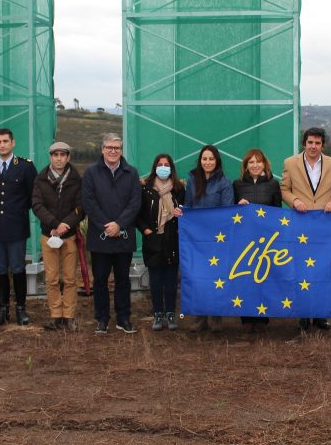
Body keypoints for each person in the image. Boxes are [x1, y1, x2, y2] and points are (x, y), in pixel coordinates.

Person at [281, 127, 331, 331]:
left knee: (322, 269)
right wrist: (295, 200)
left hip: (325, 225)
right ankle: (303, 314)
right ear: (304, 143)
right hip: (300, 223)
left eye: (317, 143)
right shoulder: (290, 163)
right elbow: (284, 190)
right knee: (300, 269)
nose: (313, 146)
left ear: (322, 145)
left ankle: (320, 315)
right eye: (310, 142)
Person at [81, 133, 141, 335]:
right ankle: (102, 319)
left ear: (121, 150)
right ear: (102, 150)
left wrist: (119, 224)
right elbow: (89, 202)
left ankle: (123, 318)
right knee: (100, 280)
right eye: (109, 147)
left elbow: (135, 203)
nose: (113, 151)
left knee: (123, 280)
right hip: (100, 237)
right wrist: (107, 226)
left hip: (124, 236)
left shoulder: (131, 173)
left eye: (117, 148)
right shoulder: (91, 173)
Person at [0, 128, 38, 327]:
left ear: (13, 143)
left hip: (16, 227)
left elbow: (33, 196)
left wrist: (16, 211)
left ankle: (21, 309)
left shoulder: (25, 167)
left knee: (18, 268)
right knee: (0, 269)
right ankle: (2, 309)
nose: (2, 144)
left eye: (5, 141)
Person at [31, 141, 84, 331]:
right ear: (51, 157)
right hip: (48, 236)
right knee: (51, 278)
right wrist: (54, 224)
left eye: (63, 155)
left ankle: (68, 316)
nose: (59, 158)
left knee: (70, 278)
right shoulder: (41, 179)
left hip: (68, 236)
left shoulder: (77, 179)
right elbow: (37, 205)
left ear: (68, 157)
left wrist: (65, 225)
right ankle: (55, 315)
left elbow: (81, 207)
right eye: (55, 155)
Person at [184, 144, 234, 333]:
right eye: (204, 159)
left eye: (211, 159)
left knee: (217, 276)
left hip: (217, 240)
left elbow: (227, 210)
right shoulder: (192, 180)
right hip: (196, 239)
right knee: (198, 276)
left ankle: (216, 316)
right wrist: (183, 212)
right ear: (200, 161)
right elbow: (188, 205)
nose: (207, 162)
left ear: (217, 161)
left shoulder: (224, 182)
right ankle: (199, 316)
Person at [232, 148, 282, 331]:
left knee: (263, 276)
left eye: (258, 162)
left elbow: (277, 211)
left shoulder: (273, 184)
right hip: (245, 241)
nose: (255, 165)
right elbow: (231, 212)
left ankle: (262, 318)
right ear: (245, 166)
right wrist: (238, 206)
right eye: (251, 162)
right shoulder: (237, 185)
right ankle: (246, 318)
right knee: (245, 277)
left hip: (266, 241)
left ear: (264, 164)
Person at [137, 154, 185, 331]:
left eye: (166, 164)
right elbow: (138, 213)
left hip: (172, 239)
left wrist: (182, 211)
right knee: (156, 279)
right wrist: (146, 230)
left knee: (171, 279)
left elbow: (186, 209)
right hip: (153, 239)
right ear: (155, 167)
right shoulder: (146, 188)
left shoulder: (179, 188)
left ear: (171, 168)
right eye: (160, 164)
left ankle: (171, 314)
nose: (163, 167)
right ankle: (157, 313)